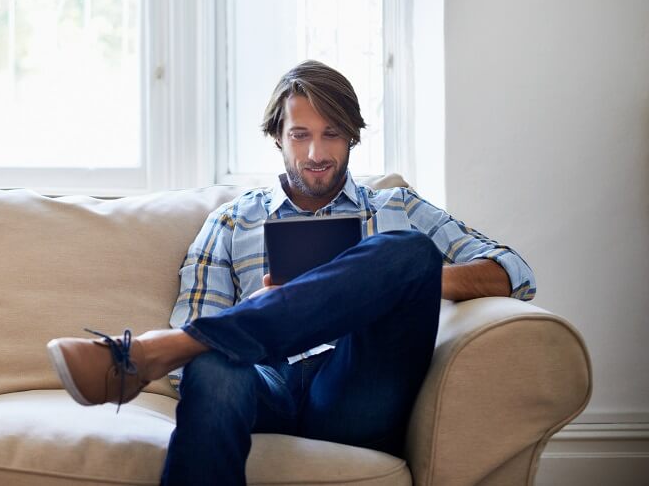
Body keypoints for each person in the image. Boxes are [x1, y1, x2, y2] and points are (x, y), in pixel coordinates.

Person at [46, 59, 536, 486]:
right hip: (265, 384)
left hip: (358, 385)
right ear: (277, 138)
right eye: (300, 135)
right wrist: (267, 316)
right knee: (211, 362)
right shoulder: (233, 221)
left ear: (352, 137)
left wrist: (406, 286)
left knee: (408, 253)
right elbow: (189, 378)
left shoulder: (398, 207)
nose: (316, 154)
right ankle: (201, 340)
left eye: (332, 135)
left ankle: (164, 347)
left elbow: (515, 272)